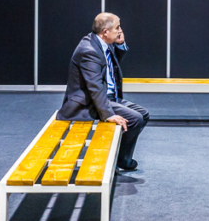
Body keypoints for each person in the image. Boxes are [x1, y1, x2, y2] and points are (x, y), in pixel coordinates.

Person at [57, 12, 149, 172]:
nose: (120, 31)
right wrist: (108, 114)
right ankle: (122, 160)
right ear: (105, 32)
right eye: (117, 28)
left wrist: (120, 45)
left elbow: (109, 67)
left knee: (144, 114)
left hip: (108, 98)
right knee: (135, 119)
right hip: (89, 104)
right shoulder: (89, 51)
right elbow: (95, 87)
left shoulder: (100, 43)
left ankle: (119, 156)